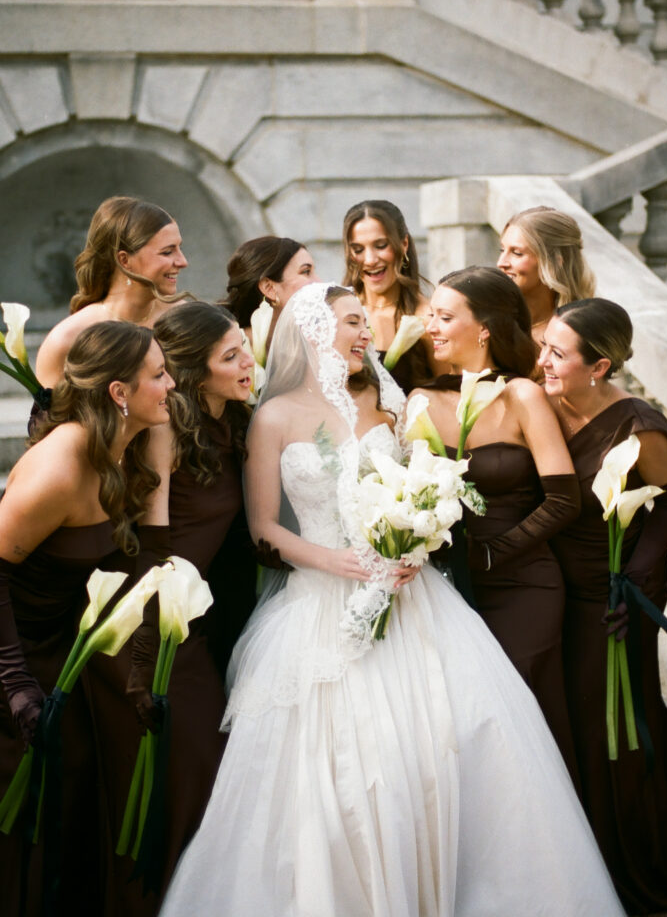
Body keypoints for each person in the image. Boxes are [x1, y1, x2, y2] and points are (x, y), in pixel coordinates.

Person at [159, 282, 623, 917]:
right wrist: (337, 560)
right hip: (320, 599)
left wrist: (413, 542)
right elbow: (265, 526)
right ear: (315, 332)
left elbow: (424, 488)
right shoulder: (271, 418)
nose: (365, 334)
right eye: (351, 322)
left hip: (412, 599)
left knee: (447, 743)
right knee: (338, 766)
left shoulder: (387, 405)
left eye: (362, 323)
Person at [0, 322, 175, 917]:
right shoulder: (60, 469)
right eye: (159, 374)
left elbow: (143, 558)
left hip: (63, 652)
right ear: (120, 392)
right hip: (14, 652)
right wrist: (17, 685)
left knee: (71, 808)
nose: (172, 384)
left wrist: (142, 666)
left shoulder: (131, 445)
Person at [92, 303, 257, 914]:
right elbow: (152, 548)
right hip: (154, 622)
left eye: (245, 347)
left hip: (197, 620)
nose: (247, 363)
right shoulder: (168, 432)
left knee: (202, 774)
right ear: (194, 372)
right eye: (231, 356)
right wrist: (145, 657)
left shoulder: (234, 422)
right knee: (191, 770)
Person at [411, 266, 580, 778]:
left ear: (484, 327)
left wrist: (492, 552)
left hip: (524, 582)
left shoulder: (522, 396)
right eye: (430, 316)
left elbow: (563, 500)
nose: (431, 327)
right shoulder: (420, 401)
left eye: (444, 317)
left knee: (523, 710)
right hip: (448, 589)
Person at [539, 298, 667, 915]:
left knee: (617, 726)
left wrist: (640, 576)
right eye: (544, 346)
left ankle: (640, 867)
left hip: (613, 588)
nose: (542, 360)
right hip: (551, 585)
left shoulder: (638, 423)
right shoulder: (542, 402)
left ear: (598, 366)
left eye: (557, 354)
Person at [35, 195, 189, 391]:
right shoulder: (67, 340)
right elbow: (50, 420)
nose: (183, 262)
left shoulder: (184, 323)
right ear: (125, 260)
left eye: (179, 249)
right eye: (168, 252)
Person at [342, 199, 441, 393]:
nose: (370, 260)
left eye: (380, 245)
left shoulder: (428, 320)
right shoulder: (336, 314)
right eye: (358, 249)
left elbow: (449, 399)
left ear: (403, 244)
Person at [497, 205, 595, 353]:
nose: (501, 263)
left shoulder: (581, 335)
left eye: (517, 253)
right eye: (502, 250)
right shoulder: (488, 323)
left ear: (555, 261)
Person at [221, 235, 318, 353]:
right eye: (306, 272)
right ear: (269, 288)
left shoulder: (315, 340)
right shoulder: (235, 349)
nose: (319, 282)